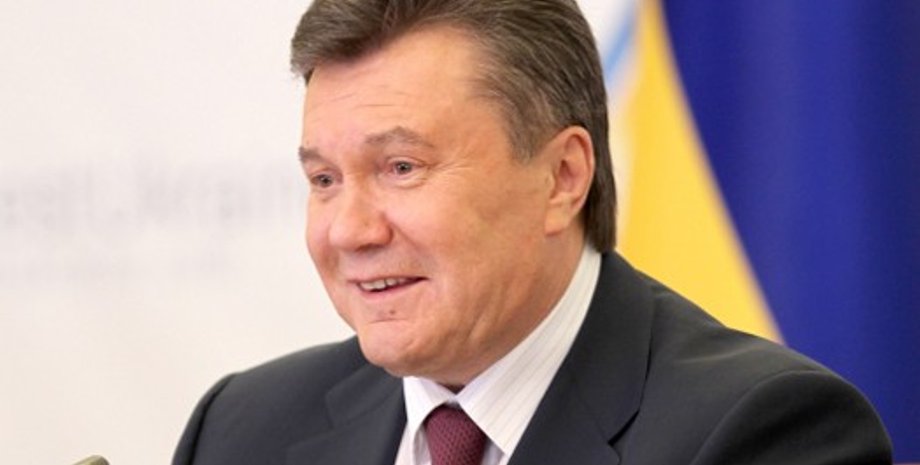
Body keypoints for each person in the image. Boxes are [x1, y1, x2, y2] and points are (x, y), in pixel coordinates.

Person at [173, 1, 892, 464]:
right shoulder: (240, 431)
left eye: (401, 167)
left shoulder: (764, 433)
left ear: (562, 177)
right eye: (325, 179)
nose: (349, 230)